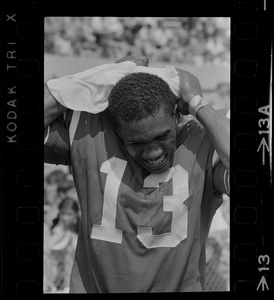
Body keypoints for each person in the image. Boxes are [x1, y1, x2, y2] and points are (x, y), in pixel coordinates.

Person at [44, 56, 229, 293]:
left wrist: (196, 102)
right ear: (118, 131)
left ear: (175, 116)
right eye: (137, 142)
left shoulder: (203, 139)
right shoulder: (87, 132)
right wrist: (96, 79)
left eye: (162, 136)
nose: (153, 152)